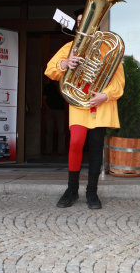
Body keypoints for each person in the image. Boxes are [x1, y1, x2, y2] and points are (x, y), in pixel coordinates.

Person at [44, 35, 124, 209]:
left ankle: (92, 192)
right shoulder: (69, 47)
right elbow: (50, 69)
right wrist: (65, 63)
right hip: (79, 103)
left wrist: (105, 95)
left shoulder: (106, 47)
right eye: (80, 22)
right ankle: (72, 190)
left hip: (100, 103)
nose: (85, 25)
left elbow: (119, 80)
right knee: (75, 143)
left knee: (96, 147)